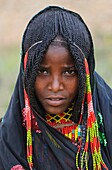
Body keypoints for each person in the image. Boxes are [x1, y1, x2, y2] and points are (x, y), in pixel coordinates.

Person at [0, 6, 112, 170]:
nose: (55, 86)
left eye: (69, 72)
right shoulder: (7, 144)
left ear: (84, 73)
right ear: (27, 71)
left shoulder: (106, 123)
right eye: (42, 71)